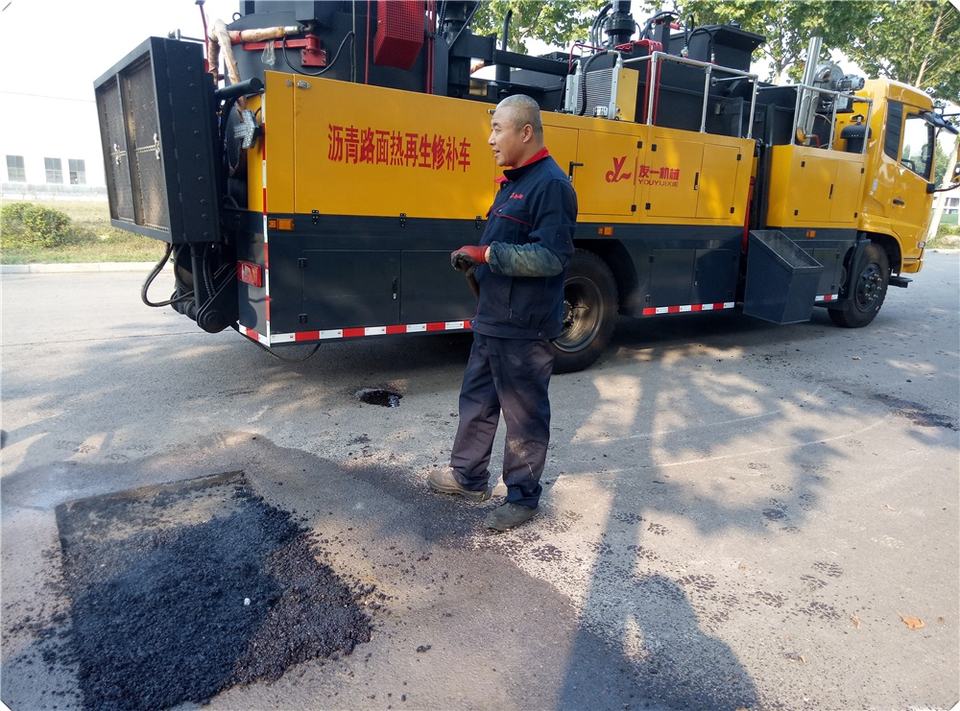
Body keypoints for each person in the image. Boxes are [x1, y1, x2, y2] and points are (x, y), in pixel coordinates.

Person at [427, 94, 578, 531]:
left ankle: (522, 498)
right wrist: (476, 262)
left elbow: (552, 257)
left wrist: (489, 253)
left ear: (526, 132)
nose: (490, 139)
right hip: (493, 318)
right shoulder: (514, 183)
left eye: (498, 129)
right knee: (477, 400)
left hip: (524, 327)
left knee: (524, 414)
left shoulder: (551, 186)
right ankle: (468, 476)